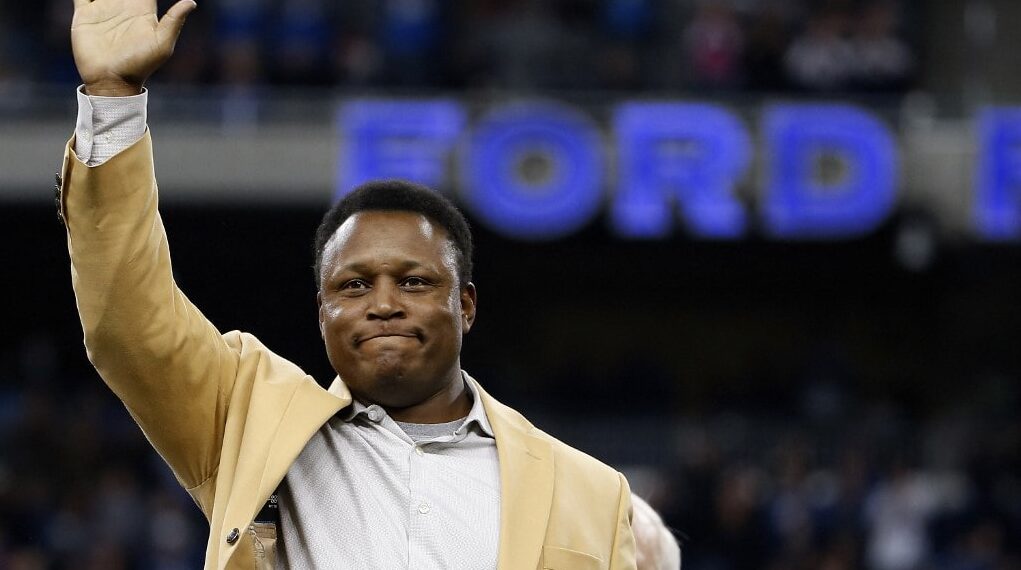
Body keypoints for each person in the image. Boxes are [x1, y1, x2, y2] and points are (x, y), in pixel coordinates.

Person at [60, 0, 637, 568]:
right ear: (322, 311)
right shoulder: (249, 420)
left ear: (464, 305)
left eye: (413, 282)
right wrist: (114, 98)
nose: (383, 304)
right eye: (355, 286)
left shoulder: (591, 493)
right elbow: (130, 324)